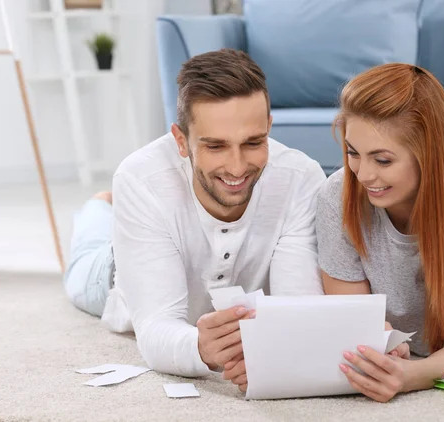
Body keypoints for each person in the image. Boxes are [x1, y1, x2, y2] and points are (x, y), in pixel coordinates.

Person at [63, 49, 326, 382]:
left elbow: (299, 310)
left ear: (269, 128)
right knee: (85, 254)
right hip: (114, 276)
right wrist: (200, 350)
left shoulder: (301, 179)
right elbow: (155, 329)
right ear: (181, 141)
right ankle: (99, 207)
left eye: (253, 142)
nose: (237, 167)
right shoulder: (139, 178)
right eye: (216, 146)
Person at [315, 63, 444, 403]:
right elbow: (352, 319)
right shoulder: (337, 195)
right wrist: (377, 340)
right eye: (352, 153)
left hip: (440, 343)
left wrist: (411, 376)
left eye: (384, 160)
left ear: (427, 155)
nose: (363, 174)